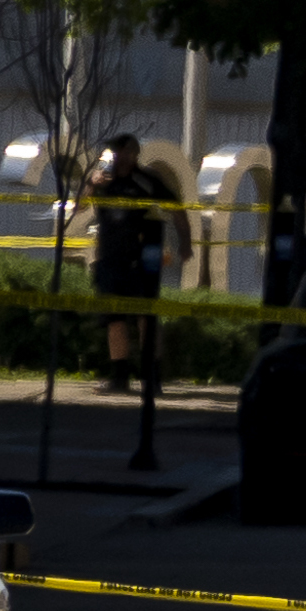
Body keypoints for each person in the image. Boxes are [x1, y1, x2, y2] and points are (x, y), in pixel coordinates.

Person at [82, 134, 187, 464]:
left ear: (134, 154)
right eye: (114, 151)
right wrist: (93, 182)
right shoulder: (102, 180)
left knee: (145, 316)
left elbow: (177, 208)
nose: (118, 156)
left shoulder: (147, 180)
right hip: (110, 258)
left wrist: (185, 242)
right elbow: (81, 204)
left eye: (124, 151)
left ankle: (151, 375)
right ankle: (119, 376)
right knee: (113, 317)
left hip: (143, 258)